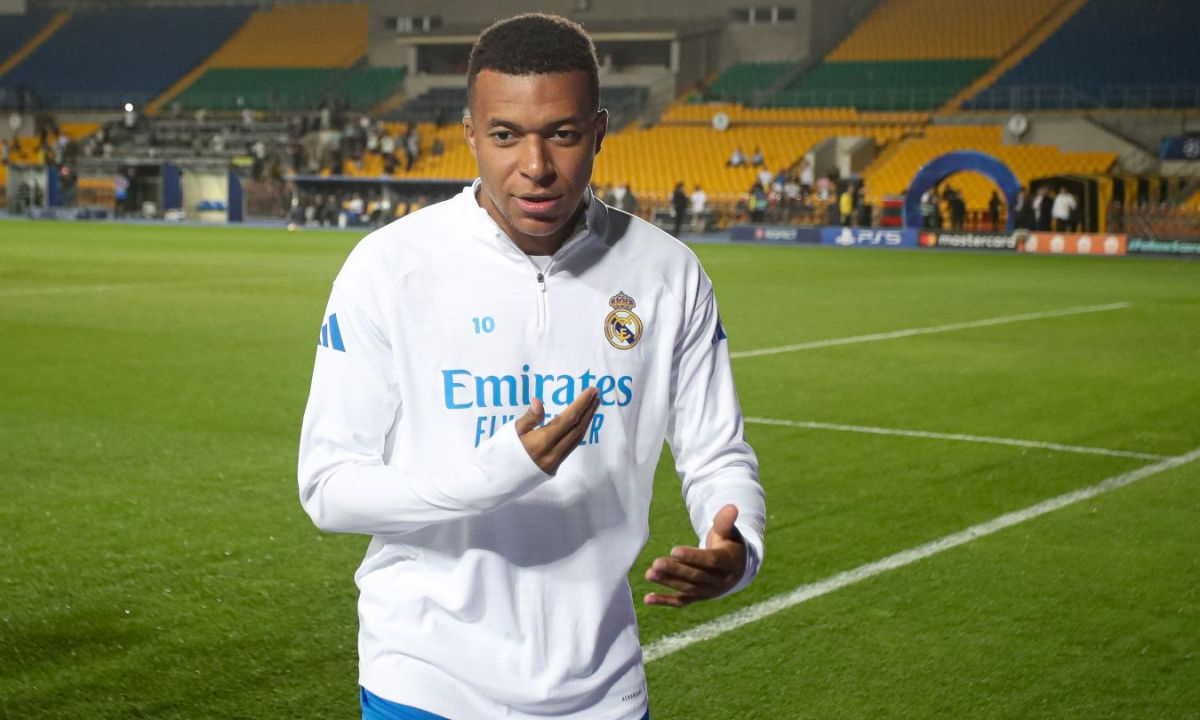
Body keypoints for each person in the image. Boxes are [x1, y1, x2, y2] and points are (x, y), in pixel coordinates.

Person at [297, 14, 764, 720]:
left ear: (599, 132)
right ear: (470, 135)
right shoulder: (389, 268)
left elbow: (717, 454)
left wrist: (737, 545)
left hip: (602, 690)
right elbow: (329, 488)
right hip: (424, 680)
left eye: (563, 134)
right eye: (506, 135)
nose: (536, 165)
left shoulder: (668, 274)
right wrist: (497, 472)